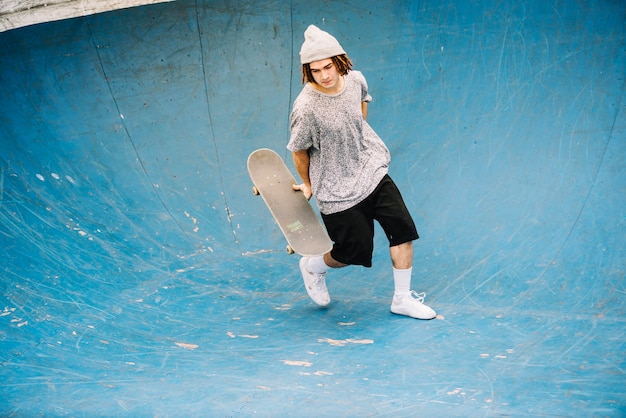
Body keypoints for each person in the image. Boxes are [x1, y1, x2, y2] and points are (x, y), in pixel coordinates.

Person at [287, 25, 436, 320]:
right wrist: (307, 183)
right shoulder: (305, 108)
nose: (325, 75)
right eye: (316, 71)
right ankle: (313, 266)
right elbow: (299, 149)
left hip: (371, 169)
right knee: (351, 253)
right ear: (308, 71)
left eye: (328, 66)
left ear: (339, 60)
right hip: (336, 187)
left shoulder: (355, 80)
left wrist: (360, 144)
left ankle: (402, 299)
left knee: (402, 230)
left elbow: (360, 113)